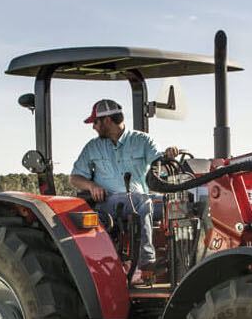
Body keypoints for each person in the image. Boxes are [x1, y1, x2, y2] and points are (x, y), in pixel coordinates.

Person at [70, 99, 178, 285]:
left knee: (179, 204)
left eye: (95, 122)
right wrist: (92, 186)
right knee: (141, 202)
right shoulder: (93, 147)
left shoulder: (142, 140)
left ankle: (181, 264)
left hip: (142, 198)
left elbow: (160, 167)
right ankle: (145, 263)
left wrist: (168, 156)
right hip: (110, 202)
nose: (93, 127)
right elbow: (75, 178)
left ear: (107, 121)